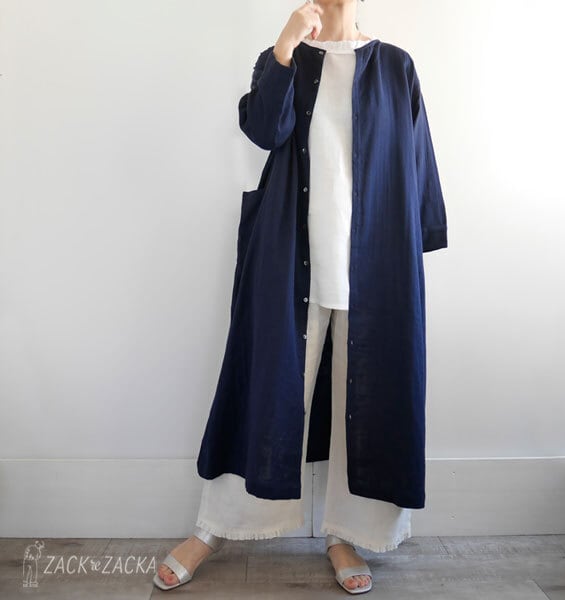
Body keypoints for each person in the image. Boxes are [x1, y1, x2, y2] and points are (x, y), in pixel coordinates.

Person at [154, 0, 447, 594]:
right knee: (261, 389)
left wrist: (419, 240)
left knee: (365, 403)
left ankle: (344, 535)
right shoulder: (283, 57)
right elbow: (264, 130)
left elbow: (415, 161)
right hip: (288, 257)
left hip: (375, 263)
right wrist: (285, 47)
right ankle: (212, 528)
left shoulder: (396, 66)